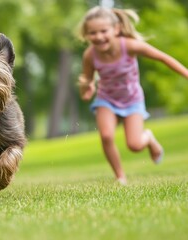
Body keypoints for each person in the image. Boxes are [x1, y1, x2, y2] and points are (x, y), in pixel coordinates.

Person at [77, 6, 188, 185]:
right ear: (87, 34)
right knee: (106, 136)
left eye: (103, 31)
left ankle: (149, 138)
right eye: (93, 33)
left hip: (132, 99)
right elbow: (87, 78)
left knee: (135, 145)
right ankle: (120, 177)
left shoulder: (129, 46)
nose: (98, 37)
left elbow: (163, 58)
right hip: (106, 99)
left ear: (116, 29)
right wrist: (87, 88)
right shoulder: (90, 55)